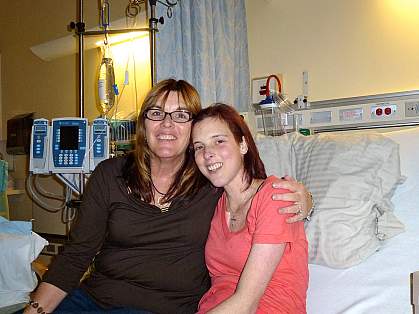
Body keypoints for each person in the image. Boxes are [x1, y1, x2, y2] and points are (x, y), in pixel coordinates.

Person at [23, 79, 312, 314]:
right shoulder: (110, 175)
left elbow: (254, 190)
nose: (167, 124)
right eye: (157, 113)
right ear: (143, 123)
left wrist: (307, 200)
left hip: (161, 307)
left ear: (191, 127)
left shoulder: (210, 180)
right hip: (93, 300)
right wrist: (34, 310)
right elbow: (76, 255)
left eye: (181, 115)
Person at [192, 103, 308, 313]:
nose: (207, 153)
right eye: (199, 146)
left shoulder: (274, 196)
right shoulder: (213, 204)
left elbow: (246, 304)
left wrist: (308, 200)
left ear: (243, 145)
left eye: (219, 141)